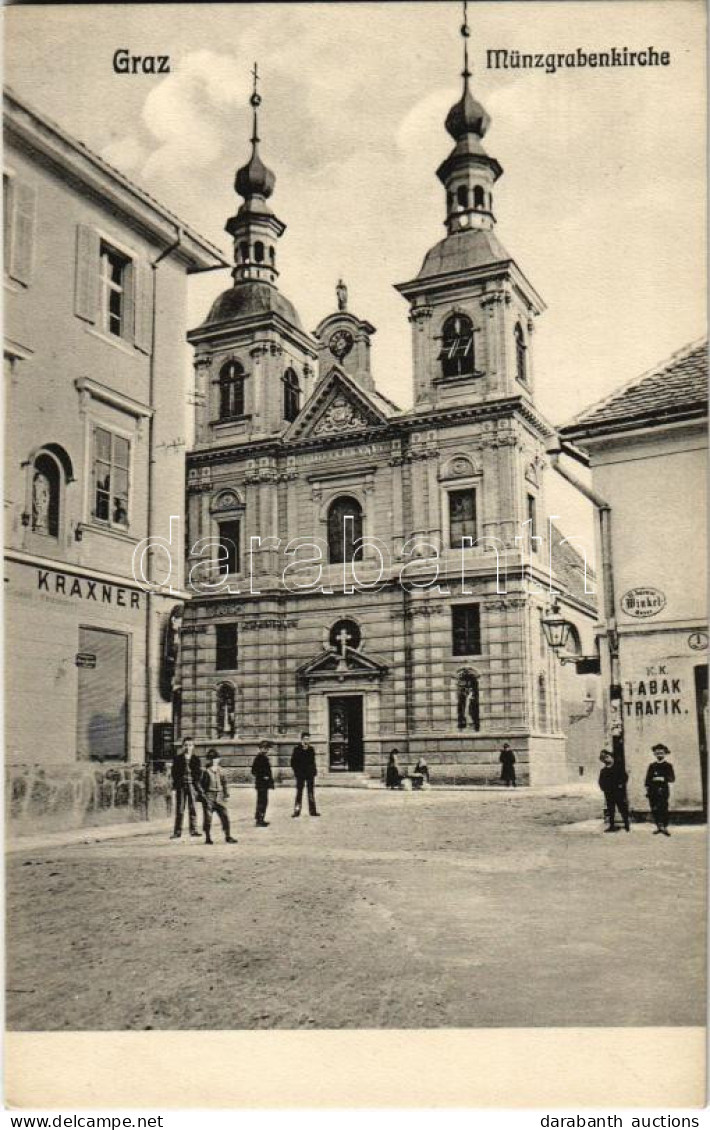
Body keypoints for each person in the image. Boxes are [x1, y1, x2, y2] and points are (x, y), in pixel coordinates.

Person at [200, 749, 237, 845]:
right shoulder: (205, 771)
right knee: (208, 818)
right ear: (208, 759)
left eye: (215, 758)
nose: (213, 760)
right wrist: (203, 796)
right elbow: (200, 784)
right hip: (209, 796)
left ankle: (228, 836)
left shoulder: (221, 770)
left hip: (220, 796)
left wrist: (226, 794)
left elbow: (225, 783)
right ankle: (208, 837)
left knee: (225, 816)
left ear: (218, 759)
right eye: (211, 758)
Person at [170, 738, 201, 839]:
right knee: (180, 809)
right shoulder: (178, 758)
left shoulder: (196, 759)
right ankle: (177, 832)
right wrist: (176, 785)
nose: (188, 747)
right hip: (181, 786)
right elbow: (174, 773)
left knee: (193, 808)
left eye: (190, 745)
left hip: (192, 785)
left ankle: (194, 830)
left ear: (193, 747)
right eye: (186, 745)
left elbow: (198, 773)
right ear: (183, 746)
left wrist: (197, 786)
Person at [645, 743, 675, 836]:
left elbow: (672, 778)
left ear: (665, 753)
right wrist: (647, 789)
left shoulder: (668, 765)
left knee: (663, 808)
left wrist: (663, 778)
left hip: (663, 790)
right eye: (657, 753)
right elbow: (647, 779)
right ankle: (658, 826)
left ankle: (665, 827)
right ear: (654, 754)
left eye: (661, 753)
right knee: (654, 808)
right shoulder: (652, 766)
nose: (659, 755)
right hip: (653, 790)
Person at [598, 750, 630, 833]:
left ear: (612, 758)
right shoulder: (603, 770)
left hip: (618, 792)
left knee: (622, 808)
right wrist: (603, 788)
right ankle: (612, 826)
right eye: (604, 758)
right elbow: (600, 781)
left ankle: (627, 825)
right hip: (608, 793)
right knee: (610, 809)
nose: (606, 759)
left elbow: (625, 777)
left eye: (608, 757)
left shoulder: (618, 768)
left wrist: (620, 785)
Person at [291, 731, 319, 817]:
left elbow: (313, 762)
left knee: (311, 792)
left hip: (310, 774)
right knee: (299, 793)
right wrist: (297, 772)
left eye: (308, 739)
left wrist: (314, 771)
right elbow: (293, 763)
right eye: (305, 739)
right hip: (300, 775)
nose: (307, 740)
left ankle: (313, 811)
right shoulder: (297, 749)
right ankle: (296, 811)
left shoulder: (311, 749)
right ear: (302, 739)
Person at [251, 740, 275, 827]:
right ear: (260, 749)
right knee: (262, 802)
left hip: (263, 784)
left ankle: (260, 819)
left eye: (267, 749)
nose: (266, 750)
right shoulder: (259, 758)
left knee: (263, 801)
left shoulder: (264, 758)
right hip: (261, 784)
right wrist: (263, 776)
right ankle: (259, 820)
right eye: (264, 748)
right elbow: (254, 771)